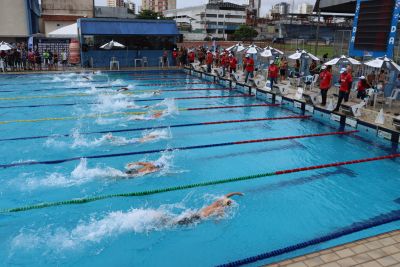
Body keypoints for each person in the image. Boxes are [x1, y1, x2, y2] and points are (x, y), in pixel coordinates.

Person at [176, 192, 244, 225]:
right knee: (177, 223)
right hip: (198, 218)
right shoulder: (220, 208)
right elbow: (218, 219)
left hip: (196, 213)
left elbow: (226, 196)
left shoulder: (216, 203)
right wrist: (218, 221)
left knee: (177, 221)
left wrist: (236, 193)